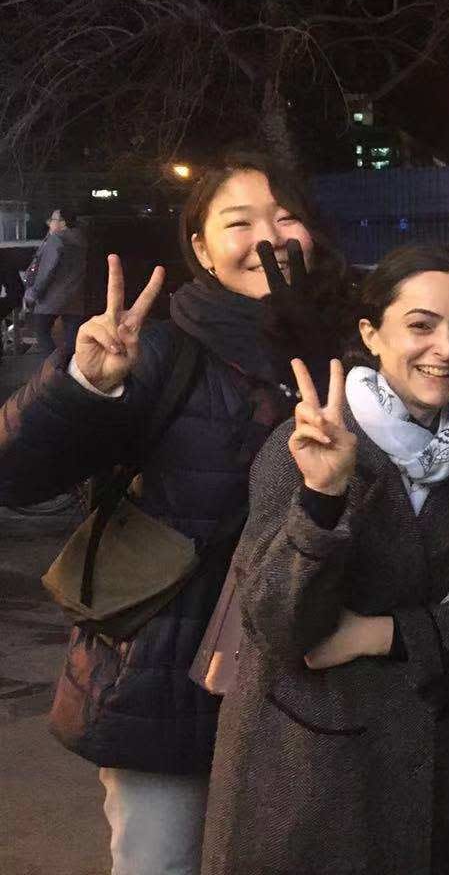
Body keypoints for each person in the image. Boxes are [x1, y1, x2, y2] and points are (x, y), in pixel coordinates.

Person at [0, 156, 349, 875]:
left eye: (285, 217)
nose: (268, 238)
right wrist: (82, 385)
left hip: (309, 675)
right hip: (167, 677)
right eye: (239, 222)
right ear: (200, 249)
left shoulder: (350, 347)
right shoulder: (159, 350)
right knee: (163, 862)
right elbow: (16, 476)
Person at [201, 244, 449, 875]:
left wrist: (387, 634)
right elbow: (278, 627)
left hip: (421, 771)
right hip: (303, 778)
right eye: (421, 325)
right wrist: (323, 499)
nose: (445, 349)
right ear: (371, 334)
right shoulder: (304, 445)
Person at [26, 207, 87, 357]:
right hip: (76, 297)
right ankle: (71, 365)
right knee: (72, 339)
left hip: (52, 297)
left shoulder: (57, 240)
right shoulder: (83, 240)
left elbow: (46, 270)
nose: (49, 223)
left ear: (63, 223)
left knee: (41, 329)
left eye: (52, 220)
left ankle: (55, 365)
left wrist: (34, 293)